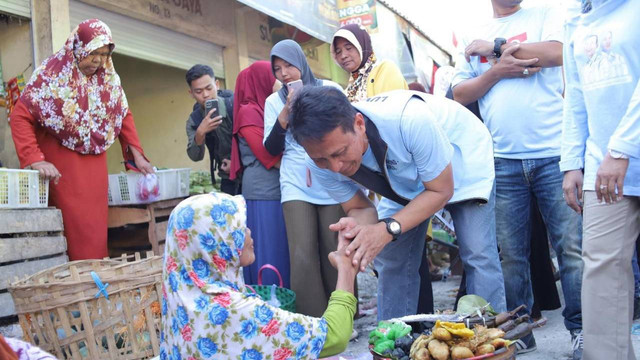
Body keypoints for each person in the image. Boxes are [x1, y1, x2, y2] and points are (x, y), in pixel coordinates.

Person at [288, 86, 502, 320]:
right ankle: (393, 342)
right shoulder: (317, 163)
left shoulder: (409, 120)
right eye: (322, 159)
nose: (335, 167)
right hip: (403, 181)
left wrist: (387, 229)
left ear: (359, 124)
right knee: (391, 260)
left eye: (340, 152)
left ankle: (496, 336)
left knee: (477, 252)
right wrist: (355, 239)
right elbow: (359, 208)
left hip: (461, 160)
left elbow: (440, 190)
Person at [451, 0, 583, 355]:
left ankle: (581, 331)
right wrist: (496, 70)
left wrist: (495, 48)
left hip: (554, 154)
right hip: (501, 160)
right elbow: (459, 93)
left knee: (572, 250)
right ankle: (519, 334)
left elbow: (557, 53)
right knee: (511, 256)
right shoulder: (469, 31)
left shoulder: (548, 14)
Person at [9, 19, 153, 260]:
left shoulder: (108, 77)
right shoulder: (50, 75)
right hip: (61, 169)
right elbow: (20, 117)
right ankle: (72, 290)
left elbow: (121, 112)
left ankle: (92, 286)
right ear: (78, 47)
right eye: (93, 53)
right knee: (69, 234)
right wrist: (35, 159)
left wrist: (136, 152)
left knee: (94, 231)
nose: (98, 60)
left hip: (95, 168)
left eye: (104, 54)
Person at [160, 192, 357, 359]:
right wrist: (345, 268)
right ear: (213, 242)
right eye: (237, 229)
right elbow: (334, 335)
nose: (248, 232)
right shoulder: (232, 311)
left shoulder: (180, 297)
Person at [561, 0, 640, 358]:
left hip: (618, 155)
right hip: (601, 166)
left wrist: (622, 148)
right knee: (602, 275)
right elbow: (575, 99)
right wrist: (571, 163)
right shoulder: (575, 22)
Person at [263, 39, 346, 317]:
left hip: (331, 178)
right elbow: (271, 148)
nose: (284, 73)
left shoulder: (329, 90)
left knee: (333, 247)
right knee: (302, 253)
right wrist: (285, 113)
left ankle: (341, 314)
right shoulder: (273, 102)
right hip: (295, 183)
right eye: (277, 68)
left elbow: (345, 127)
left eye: (289, 65)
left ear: (301, 62)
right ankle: (312, 321)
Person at [229, 61, 290, 288]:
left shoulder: (268, 108)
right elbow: (268, 157)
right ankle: (271, 306)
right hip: (263, 194)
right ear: (261, 80)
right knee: (269, 251)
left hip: (276, 189)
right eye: (273, 75)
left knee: (279, 248)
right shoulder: (248, 113)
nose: (279, 80)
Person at [185, 64, 239, 195]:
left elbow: (253, 141)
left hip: (250, 175)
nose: (205, 95)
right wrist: (200, 133)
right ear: (191, 93)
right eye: (198, 91)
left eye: (209, 88)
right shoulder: (195, 120)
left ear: (217, 84)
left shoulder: (235, 105)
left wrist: (237, 163)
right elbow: (195, 156)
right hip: (227, 179)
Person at [331, 23, 407, 102]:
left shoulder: (385, 70)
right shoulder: (350, 89)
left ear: (362, 45)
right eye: (338, 51)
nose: (343, 56)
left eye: (349, 48)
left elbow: (390, 109)